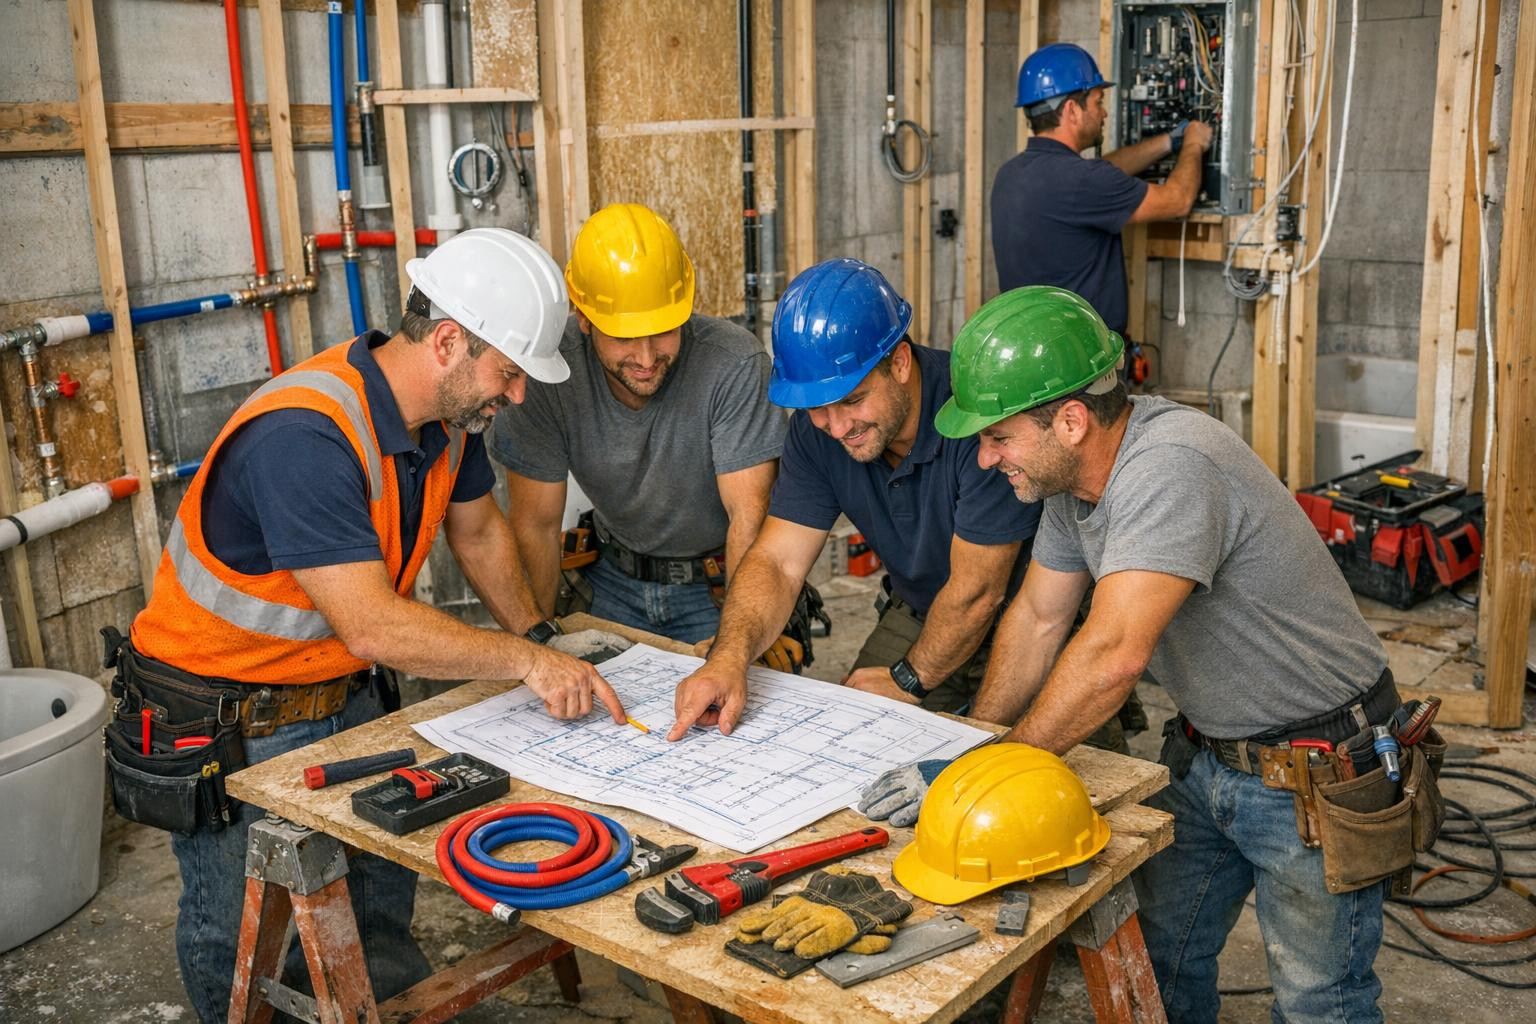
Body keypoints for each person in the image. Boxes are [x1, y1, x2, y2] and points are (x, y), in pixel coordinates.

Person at [118, 228, 627, 1023]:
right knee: (237, 934)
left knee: (377, 898)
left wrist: (539, 636)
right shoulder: (306, 436)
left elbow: (480, 530)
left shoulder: (448, 420)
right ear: (450, 342)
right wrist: (527, 668)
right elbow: (371, 626)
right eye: (509, 373)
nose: (518, 395)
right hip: (225, 718)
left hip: (339, 691)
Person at [890, 285, 1401, 1022]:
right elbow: (1037, 617)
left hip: (1317, 769)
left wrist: (987, 778)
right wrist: (975, 745)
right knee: (1158, 962)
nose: (985, 455)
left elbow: (1112, 657)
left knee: (1321, 1000)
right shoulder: (1071, 486)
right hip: (1208, 756)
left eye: (998, 436)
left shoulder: (1171, 465)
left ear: (1069, 420)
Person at [668, 259, 1039, 741]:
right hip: (924, 608)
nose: (836, 427)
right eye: (817, 408)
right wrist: (728, 657)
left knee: (1041, 773)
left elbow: (977, 594)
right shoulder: (816, 430)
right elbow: (778, 561)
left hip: (1029, 616)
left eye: (851, 400)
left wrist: (909, 679)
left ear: (900, 363)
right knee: (852, 742)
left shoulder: (977, 415)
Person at [491, 203, 785, 648]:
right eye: (625, 337)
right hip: (609, 581)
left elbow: (748, 517)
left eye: (664, 330)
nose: (647, 359)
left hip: (718, 586)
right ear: (584, 318)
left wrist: (738, 640)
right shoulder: (547, 376)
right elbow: (535, 525)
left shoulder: (734, 364)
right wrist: (539, 643)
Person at [991, 42, 1213, 337]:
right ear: (1072, 110)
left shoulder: (1010, 174)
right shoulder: (1085, 180)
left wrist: (1167, 142)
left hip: (1034, 349)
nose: (1105, 113)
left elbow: (1105, 171)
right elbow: (1178, 200)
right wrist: (1194, 143)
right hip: (1084, 360)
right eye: (1098, 102)